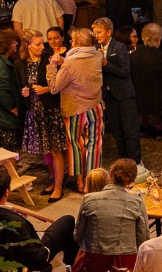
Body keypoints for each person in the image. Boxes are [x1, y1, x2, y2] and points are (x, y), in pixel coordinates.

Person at [75, 160, 152, 272]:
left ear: (110, 174)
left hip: (94, 264)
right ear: (132, 180)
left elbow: (78, 236)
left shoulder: (88, 199)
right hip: (126, 265)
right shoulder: (136, 202)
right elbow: (143, 239)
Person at [47, 28, 106, 192]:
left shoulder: (69, 64)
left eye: (73, 41)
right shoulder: (97, 55)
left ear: (77, 44)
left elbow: (53, 88)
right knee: (95, 144)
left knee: (76, 144)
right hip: (96, 106)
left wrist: (52, 66)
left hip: (75, 109)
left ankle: (80, 182)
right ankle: (92, 182)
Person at [18, 33, 68, 201]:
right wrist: (24, 91)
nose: (42, 47)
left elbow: (60, 83)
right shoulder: (20, 64)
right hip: (35, 112)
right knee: (45, 151)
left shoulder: (48, 61)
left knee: (55, 150)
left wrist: (46, 89)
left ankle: (59, 187)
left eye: (42, 44)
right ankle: (54, 181)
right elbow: (20, 85)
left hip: (50, 111)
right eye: (38, 44)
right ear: (28, 46)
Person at [0, 168, 46, 272]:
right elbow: (34, 258)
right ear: (7, 192)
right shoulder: (14, 222)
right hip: (26, 261)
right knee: (67, 221)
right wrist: (45, 249)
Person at [93, 15, 142, 163]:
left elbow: (125, 72)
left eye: (99, 32)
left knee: (130, 130)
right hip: (108, 95)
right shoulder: (95, 49)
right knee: (117, 130)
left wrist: (106, 64)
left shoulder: (119, 47)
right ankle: (123, 159)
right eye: (94, 32)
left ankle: (136, 161)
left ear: (109, 32)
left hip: (124, 94)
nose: (96, 36)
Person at [131, 22, 162, 132]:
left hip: (139, 98)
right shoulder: (161, 58)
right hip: (159, 101)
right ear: (157, 40)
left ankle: (145, 126)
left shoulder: (133, 56)